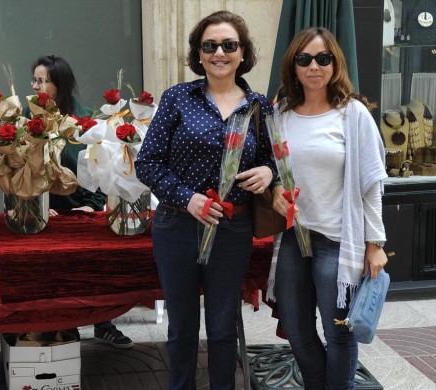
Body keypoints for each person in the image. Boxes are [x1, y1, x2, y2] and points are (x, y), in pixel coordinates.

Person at [135, 11, 277, 389]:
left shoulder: (259, 105)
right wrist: (188, 199)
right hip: (177, 225)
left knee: (221, 326)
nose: (219, 53)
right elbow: (146, 163)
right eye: (209, 46)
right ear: (198, 54)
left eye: (229, 45)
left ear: (242, 52)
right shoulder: (178, 98)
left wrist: (269, 173)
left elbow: (275, 158)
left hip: (233, 227)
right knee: (181, 327)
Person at [266, 27, 389, 389]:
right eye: (304, 59)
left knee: (337, 334)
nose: (314, 66)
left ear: (335, 63)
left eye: (323, 58)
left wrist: (375, 242)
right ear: (294, 65)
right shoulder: (281, 113)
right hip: (293, 238)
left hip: (337, 241)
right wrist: (275, 190)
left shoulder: (353, 114)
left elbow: (371, 184)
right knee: (297, 330)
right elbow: (273, 169)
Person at [24, 55, 133, 349]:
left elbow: (102, 166)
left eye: (43, 80)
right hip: (43, 214)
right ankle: (56, 328)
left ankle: (103, 323)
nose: (36, 86)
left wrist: (92, 205)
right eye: (34, 80)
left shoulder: (84, 119)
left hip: (81, 210)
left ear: (60, 84)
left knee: (96, 267)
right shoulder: (26, 117)